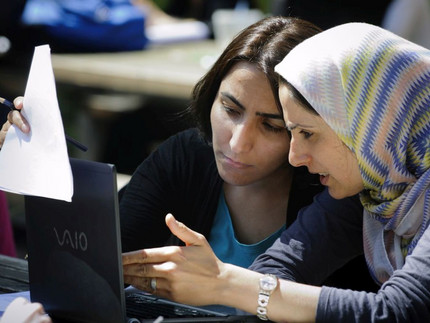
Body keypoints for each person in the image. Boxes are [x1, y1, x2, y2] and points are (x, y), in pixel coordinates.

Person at [1, 16, 376, 291]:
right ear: (209, 96)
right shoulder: (187, 155)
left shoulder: (337, 186)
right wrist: (37, 162)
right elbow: (85, 261)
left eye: (272, 126)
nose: (237, 142)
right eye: (230, 110)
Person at [121, 22, 430, 322]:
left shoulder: (354, 179)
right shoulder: (376, 187)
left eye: (305, 133)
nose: (295, 156)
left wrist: (225, 283)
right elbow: (278, 265)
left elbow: (403, 311)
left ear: (373, 128)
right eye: (230, 109)